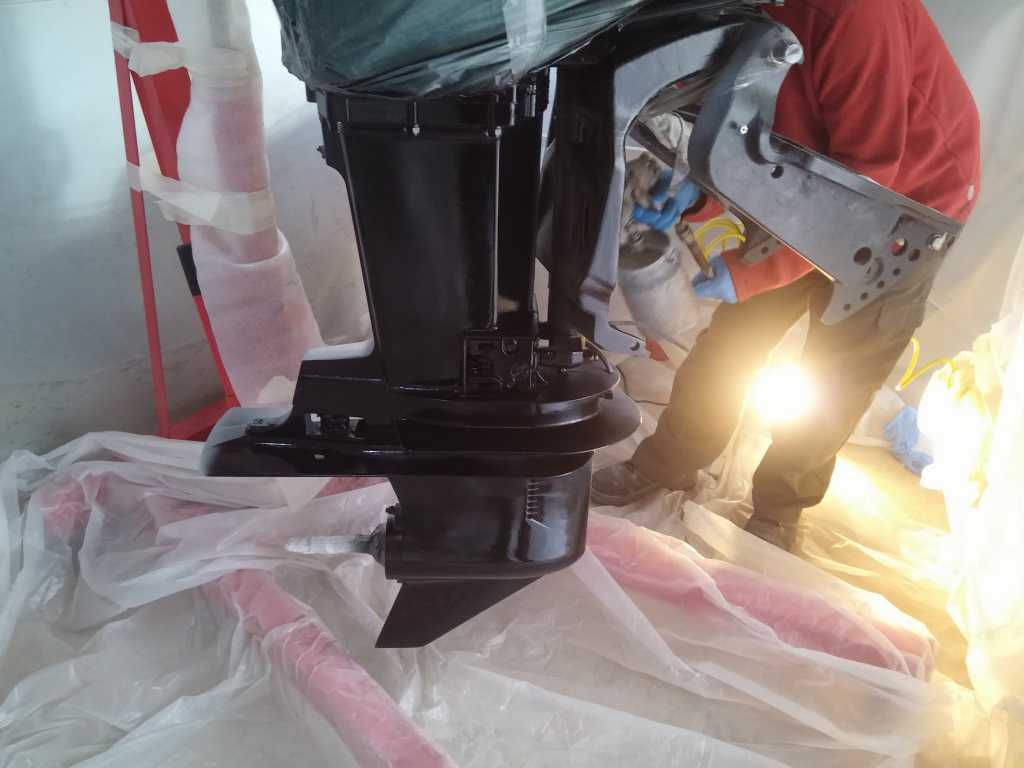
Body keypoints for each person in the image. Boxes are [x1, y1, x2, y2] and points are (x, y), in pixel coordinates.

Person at [592, 0, 982, 550]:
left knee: (838, 372)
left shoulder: (855, 12)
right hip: (811, 169)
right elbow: (745, 116)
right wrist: (697, 192)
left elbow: (868, 175)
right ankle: (669, 461)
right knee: (732, 342)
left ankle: (779, 508)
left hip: (907, 206)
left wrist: (758, 273)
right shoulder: (737, 5)